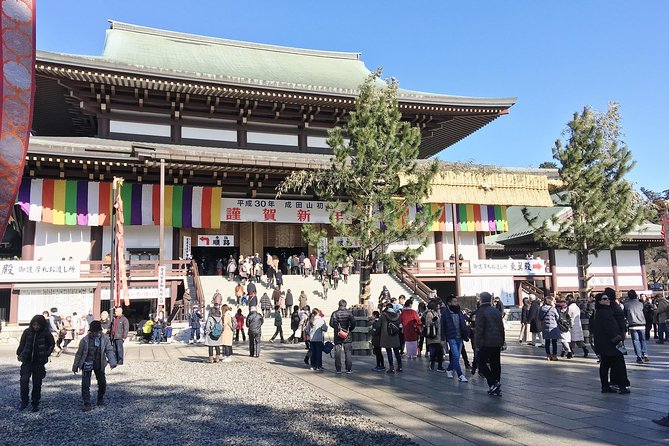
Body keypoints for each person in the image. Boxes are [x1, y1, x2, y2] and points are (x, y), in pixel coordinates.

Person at [72, 320, 117, 411]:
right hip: (87, 363)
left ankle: (100, 398)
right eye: (93, 332)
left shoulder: (105, 339)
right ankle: (87, 403)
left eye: (97, 332)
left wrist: (112, 361)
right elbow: (79, 354)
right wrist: (75, 365)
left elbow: (109, 350)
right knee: (85, 384)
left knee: (102, 383)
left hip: (99, 363)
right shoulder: (84, 340)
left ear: (100, 331)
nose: (95, 333)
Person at [593, 293, 630, 394]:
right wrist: (617, 339)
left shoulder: (600, 311)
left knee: (605, 364)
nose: (607, 300)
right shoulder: (604, 312)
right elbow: (610, 328)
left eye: (608, 298)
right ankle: (622, 386)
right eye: (604, 299)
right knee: (619, 363)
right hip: (611, 343)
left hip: (604, 343)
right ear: (599, 301)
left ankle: (605, 386)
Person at [17, 314, 55, 412]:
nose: (36, 327)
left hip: (39, 362)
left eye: (38, 325)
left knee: (37, 383)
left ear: (42, 325)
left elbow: (52, 344)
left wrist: (46, 354)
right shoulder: (27, 332)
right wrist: (19, 353)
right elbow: (22, 343)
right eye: (34, 325)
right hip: (27, 360)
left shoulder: (46, 333)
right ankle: (24, 401)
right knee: (24, 381)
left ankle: (35, 403)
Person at [475, 292, 505, 396]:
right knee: (496, 364)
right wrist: (502, 340)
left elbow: (479, 329)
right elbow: (502, 327)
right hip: (497, 341)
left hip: (486, 342)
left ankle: (492, 382)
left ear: (481, 300)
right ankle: (496, 384)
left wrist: (477, 344)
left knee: (481, 362)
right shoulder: (496, 311)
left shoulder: (481, 311)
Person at [440, 295, 469, 382]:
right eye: (454, 301)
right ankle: (460, 375)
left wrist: (466, 334)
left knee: (456, 356)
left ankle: (449, 369)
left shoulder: (459, 311)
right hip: (451, 336)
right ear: (449, 303)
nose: (456, 303)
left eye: (456, 301)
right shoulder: (445, 312)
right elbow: (443, 326)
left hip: (460, 336)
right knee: (456, 355)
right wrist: (442, 338)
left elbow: (463, 323)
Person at [329, 299, 356, 374]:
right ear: (345, 305)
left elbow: (331, 323)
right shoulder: (349, 313)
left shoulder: (335, 313)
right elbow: (353, 322)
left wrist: (337, 328)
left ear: (339, 304)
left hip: (338, 335)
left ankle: (338, 369)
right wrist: (350, 329)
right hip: (347, 334)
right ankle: (348, 369)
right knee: (348, 352)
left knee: (337, 352)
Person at [623, 290, 650, 364]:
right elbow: (644, 312)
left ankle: (639, 356)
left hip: (632, 324)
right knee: (643, 340)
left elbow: (625, 315)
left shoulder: (626, 304)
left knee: (636, 341)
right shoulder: (641, 304)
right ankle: (644, 353)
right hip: (641, 323)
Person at [380, 303, 402, 374]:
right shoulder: (397, 315)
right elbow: (399, 324)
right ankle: (400, 366)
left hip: (386, 336)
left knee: (389, 352)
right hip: (395, 335)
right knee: (396, 352)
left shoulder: (383, 315)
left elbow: (378, 325)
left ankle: (391, 368)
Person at [424, 299, 445, 372]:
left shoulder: (437, 312)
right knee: (436, 351)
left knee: (438, 351)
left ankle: (437, 365)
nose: (439, 305)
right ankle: (434, 364)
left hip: (438, 335)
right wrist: (433, 321)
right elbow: (428, 324)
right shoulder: (429, 313)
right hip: (433, 335)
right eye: (437, 304)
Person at [540, 296, 561, 361]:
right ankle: (554, 355)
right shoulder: (553, 309)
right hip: (553, 326)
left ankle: (548, 355)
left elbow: (540, 317)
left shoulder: (541, 308)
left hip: (545, 327)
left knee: (547, 342)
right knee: (554, 342)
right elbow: (557, 317)